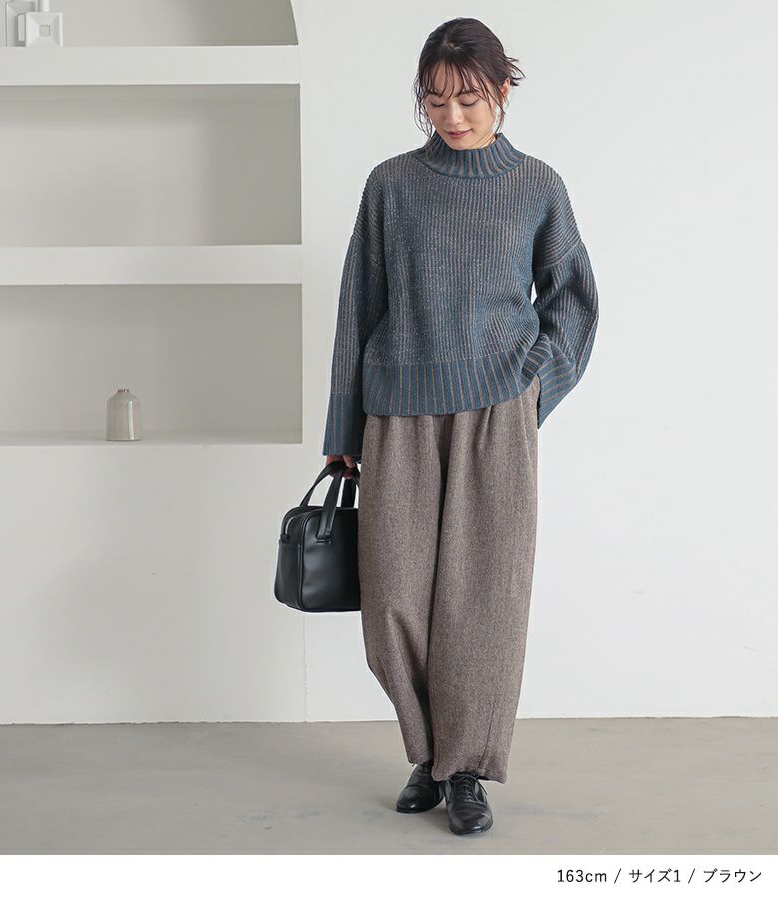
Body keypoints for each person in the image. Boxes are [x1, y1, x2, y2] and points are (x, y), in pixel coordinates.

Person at [322, 17, 599, 836]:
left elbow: (574, 303)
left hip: (495, 418)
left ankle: (465, 769)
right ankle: (429, 750)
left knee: (484, 600)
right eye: (436, 100)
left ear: (503, 91)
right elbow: (357, 306)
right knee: (393, 599)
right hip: (398, 410)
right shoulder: (391, 185)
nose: (452, 115)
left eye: (469, 99)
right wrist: (342, 428)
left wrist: (527, 396)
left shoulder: (537, 186)